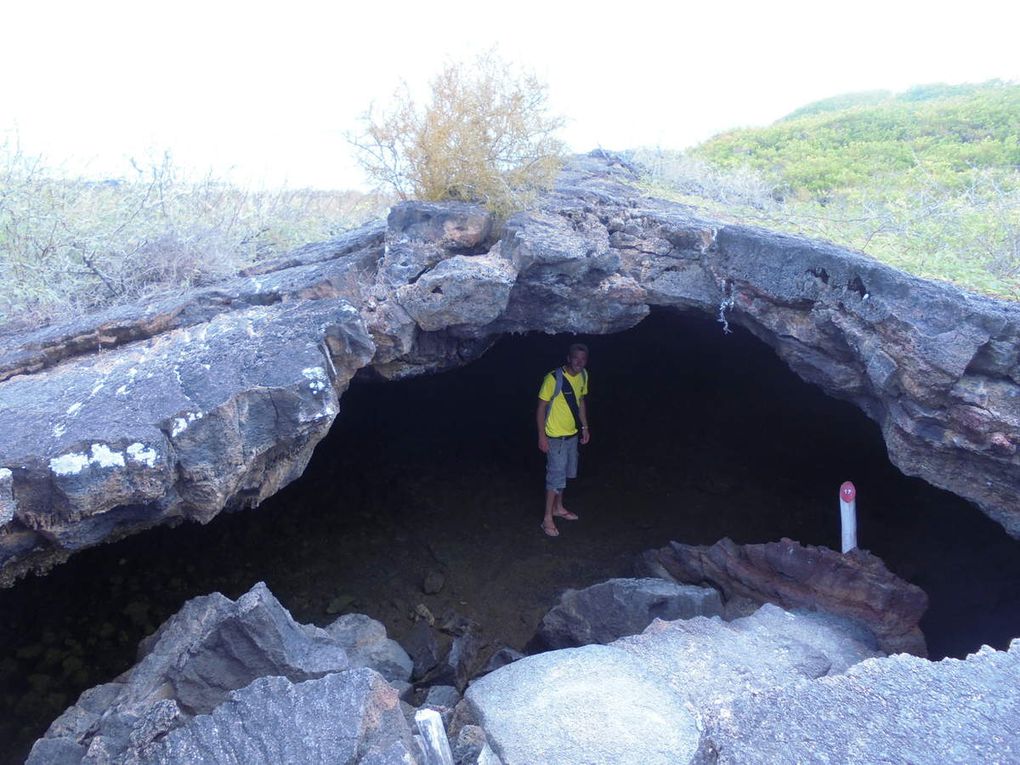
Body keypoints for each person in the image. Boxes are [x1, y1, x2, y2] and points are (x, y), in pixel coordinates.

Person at [536, 343, 590, 537]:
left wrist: (584, 427)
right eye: (576, 358)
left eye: (583, 359)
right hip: (555, 437)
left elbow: (581, 401)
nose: (579, 362)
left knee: (566, 473)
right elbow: (541, 407)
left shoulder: (583, 376)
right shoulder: (553, 379)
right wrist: (542, 436)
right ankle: (547, 519)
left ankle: (558, 508)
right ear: (569, 358)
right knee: (555, 478)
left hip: (571, 435)